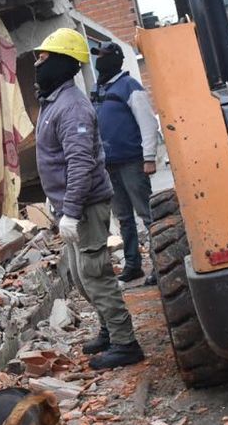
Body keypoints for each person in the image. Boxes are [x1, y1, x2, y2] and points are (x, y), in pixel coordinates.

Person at [32, 27, 145, 369]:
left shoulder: (73, 108)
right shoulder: (53, 102)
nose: (37, 63)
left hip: (85, 206)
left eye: (43, 57)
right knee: (82, 278)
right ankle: (110, 331)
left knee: (96, 274)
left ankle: (126, 344)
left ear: (62, 63)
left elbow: (80, 162)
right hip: (72, 205)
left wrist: (71, 211)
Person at [90, 41, 160, 286]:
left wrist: (149, 157)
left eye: (103, 56)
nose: (99, 60)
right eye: (97, 56)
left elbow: (148, 123)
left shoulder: (129, 86)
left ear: (115, 59)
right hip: (109, 166)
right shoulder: (97, 89)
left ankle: (160, 267)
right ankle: (133, 266)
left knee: (147, 214)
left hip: (132, 162)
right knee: (123, 218)